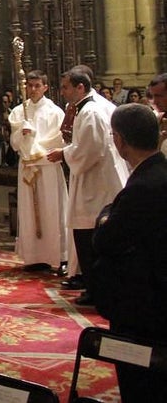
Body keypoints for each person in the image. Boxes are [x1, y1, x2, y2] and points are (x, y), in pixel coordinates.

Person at [92, 104, 167, 402]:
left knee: (141, 384)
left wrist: (105, 216)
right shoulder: (159, 172)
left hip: (143, 306)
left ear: (120, 140)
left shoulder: (142, 187)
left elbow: (106, 239)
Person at [46, 67, 128, 305]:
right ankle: (93, 286)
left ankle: (96, 290)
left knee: (89, 235)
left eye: (66, 87)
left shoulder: (91, 111)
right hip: (95, 178)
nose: (62, 92)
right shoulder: (89, 108)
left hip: (95, 182)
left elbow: (90, 149)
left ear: (80, 87)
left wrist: (64, 153)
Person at [7, 71, 68, 271]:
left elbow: (58, 140)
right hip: (27, 166)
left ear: (45, 87)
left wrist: (33, 141)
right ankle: (34, 257)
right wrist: (22, 134)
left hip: (47, 165)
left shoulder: (55, 112)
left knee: (52, 209)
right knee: (28, 212)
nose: (32, 89)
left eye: (37, 85)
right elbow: (14, 143)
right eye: (29, 85)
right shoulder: (19, 111)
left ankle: (58, 255)